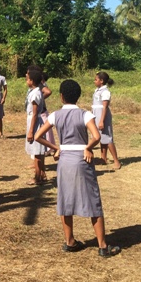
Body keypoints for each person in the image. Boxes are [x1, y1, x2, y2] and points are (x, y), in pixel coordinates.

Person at [34, 79, 121, 257]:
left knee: (65, 199)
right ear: (78, 96)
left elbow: (37, 136)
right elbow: (96, 136)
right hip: (82, 159)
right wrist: (88, 148)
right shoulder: (85, 114)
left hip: (64, 160)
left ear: (61, 96)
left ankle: (70, 241)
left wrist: (57, 148)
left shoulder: (55, 115)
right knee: (93, 199)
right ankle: (103, 246)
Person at [92, 71, 121, 170]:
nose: (94, 81)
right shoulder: (97, 90)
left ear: (102, 81)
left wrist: (101, 121)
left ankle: (116, 161)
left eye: (96, 79)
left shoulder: (105, 92)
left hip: (102, 116)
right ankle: (103, 158)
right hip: (97, 116)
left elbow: (104, 107)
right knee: (101, 137)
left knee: (108, 138)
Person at [25, 69, 48, 185]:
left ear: (32, 81)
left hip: (35, 123)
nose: (26, 80)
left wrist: (30, 131)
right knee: (38, 151)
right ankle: (42, 175)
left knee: (37, 152)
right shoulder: (35, 91)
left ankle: (37, 177)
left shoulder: (35, 94)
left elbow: (34, 113)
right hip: (34, 121)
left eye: (27, 79)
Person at [27, 65, 56, 155]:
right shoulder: (35, 86)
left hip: (40, 114)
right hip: (39, 113)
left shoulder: (38, 85)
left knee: (39, 138)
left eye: (28, 73)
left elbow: (48, 91)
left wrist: (37, 101)